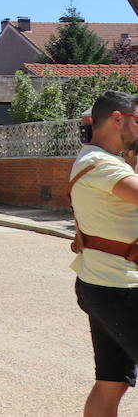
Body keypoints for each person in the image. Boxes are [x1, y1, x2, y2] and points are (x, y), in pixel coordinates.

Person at [70, 91, 138, 417]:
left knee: (112, 381)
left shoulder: (101, 160)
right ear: (117, 119)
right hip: (121, 288)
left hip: (106, 284)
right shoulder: (100, 164)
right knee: (111, 381)